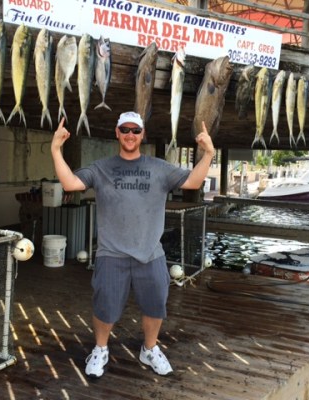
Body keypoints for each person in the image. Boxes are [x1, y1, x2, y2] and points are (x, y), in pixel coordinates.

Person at [51, 111, 215, 379]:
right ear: (117, 133)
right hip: (111, 254)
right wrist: (56, 149)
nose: (130, 135)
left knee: (154, 306)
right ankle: (101, 349)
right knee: (105, 307)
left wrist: (208, 154)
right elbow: (70, 183)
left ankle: (149, 349)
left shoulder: (159, 167)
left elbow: (193, 182)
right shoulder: (101, 167)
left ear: (142, 135)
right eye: (124, 130)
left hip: (151, 254)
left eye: (135, 130)